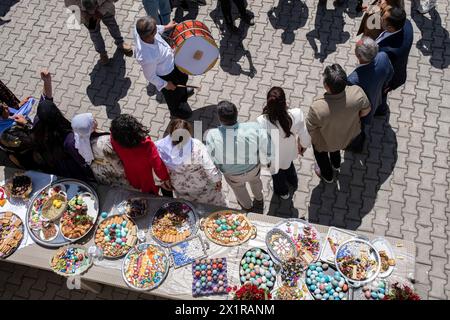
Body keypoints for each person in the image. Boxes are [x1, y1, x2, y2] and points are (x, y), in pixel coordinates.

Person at [10, 71, 96, 181]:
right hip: (73, 167)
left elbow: (46, 98)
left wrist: (47, 81)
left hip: (55, 166)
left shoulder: (37, 124)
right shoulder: (68, 137)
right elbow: (82, 159)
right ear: (57, 114)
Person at [306, 64, 371, 183]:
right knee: (335, 148)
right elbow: (366, 111)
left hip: (326, 141)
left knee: (320, 153)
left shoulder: (317, 107)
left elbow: (310, 129)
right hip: (347, 137)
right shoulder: (357, 92)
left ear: (326, 86)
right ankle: (336, 164)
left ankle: (328, 176)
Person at [206, 101, 271, 212]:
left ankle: (247, 207)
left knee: (239, 190)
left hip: (233, 175)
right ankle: (259, 199)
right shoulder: (254, 127)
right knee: (256, 182)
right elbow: (267, 145)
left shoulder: (212, 135)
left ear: (220, 118)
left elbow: (212, 158)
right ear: (236, 114)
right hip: (253, 168)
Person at [156, 119, 227, 206]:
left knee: (189, 205)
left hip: (180, 186)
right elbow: (209, 165)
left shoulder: (161, 147)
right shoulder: (196, 145)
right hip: (201, 185)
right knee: (212, 203)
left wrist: (161, 182)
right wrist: (217, 180)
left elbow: (156, 166)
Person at [134, 16, 194, 119]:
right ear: (150, 35)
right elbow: (150, 76)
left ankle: (183, 95)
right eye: (155, 30)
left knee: (183, 79)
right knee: (172, 95)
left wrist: (167, 27)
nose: (157, 29)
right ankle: (175, 111)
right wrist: (165, 84)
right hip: (167, 74)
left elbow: (156, 27)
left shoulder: (139, 29)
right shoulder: (146, 57)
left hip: (173, 62)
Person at [256, 87, 311, 200]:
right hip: (289, 151)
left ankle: (283, 192)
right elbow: (305, 136)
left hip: (273, 158)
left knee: (277, 176)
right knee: (289, 165)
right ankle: (293, 181)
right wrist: (303, 146)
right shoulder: (296, 114)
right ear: (285, 102)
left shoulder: (261, 121)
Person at [347, 37, 393, 152]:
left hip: (364, 112)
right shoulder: (383, 57)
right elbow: (390, 72)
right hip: (379, 97)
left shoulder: (353, 80)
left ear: (359, 56)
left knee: (358, 130)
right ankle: (381, 111)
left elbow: (352, 103)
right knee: (381, 105)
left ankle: (357, 147)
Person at [110, 114, 171, 194]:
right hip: (147, 177)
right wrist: (166, 178)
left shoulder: (115, 140)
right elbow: (158, 166)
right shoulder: (146, 145)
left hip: (132, 174)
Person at [71, 113, 130, 187]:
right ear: (90, 127)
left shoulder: (79, 140)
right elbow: (119, 166)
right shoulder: (105, 143)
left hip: (99, 173)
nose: (94, 119)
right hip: (112, 173)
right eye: (92, 120)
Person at [65, 0, 133, 65]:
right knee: (95, 34)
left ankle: (120, 42)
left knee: (112, 25)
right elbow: (71, 5)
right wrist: (86, 16)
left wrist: (101, 11)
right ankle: (102, 53)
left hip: (104, 7)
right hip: (88, 15)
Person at [375, 6, 413, 116]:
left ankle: (380, 110)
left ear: (390, 28)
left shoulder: (388, 51)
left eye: (382, 19)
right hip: (398, 67)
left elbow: (382, 69)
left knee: (380, 94)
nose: (380, 18)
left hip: (389, 79)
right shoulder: (406, 24)